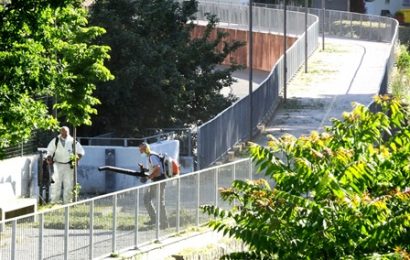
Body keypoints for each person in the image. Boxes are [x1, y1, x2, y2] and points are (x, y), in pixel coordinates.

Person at [46, 126, 85, 204]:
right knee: (56, 183)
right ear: (60, 132)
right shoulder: (55, 141)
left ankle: (67, 202)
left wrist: (76, 159)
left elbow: (81, 152)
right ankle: (54, 202)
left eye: (66, 132)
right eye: (63, 132)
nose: (64, 134)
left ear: (68, 132)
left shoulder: (72, 141)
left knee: (68, 184)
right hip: (57, 164)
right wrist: (49, 158)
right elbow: (49, 151)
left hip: (68, 165)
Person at [139, 142, 169, 229]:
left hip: (159, 181)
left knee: (159, 202)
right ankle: (155, 219)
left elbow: (158, 169)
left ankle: (164, 224)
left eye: (141, 150)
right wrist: (144, 169)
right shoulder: (151, 156)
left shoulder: (151, 156)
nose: (140, 152)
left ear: (144, 149)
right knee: (147, 199)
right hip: (156, 181)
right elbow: (153, 168)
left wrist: (149, 177)